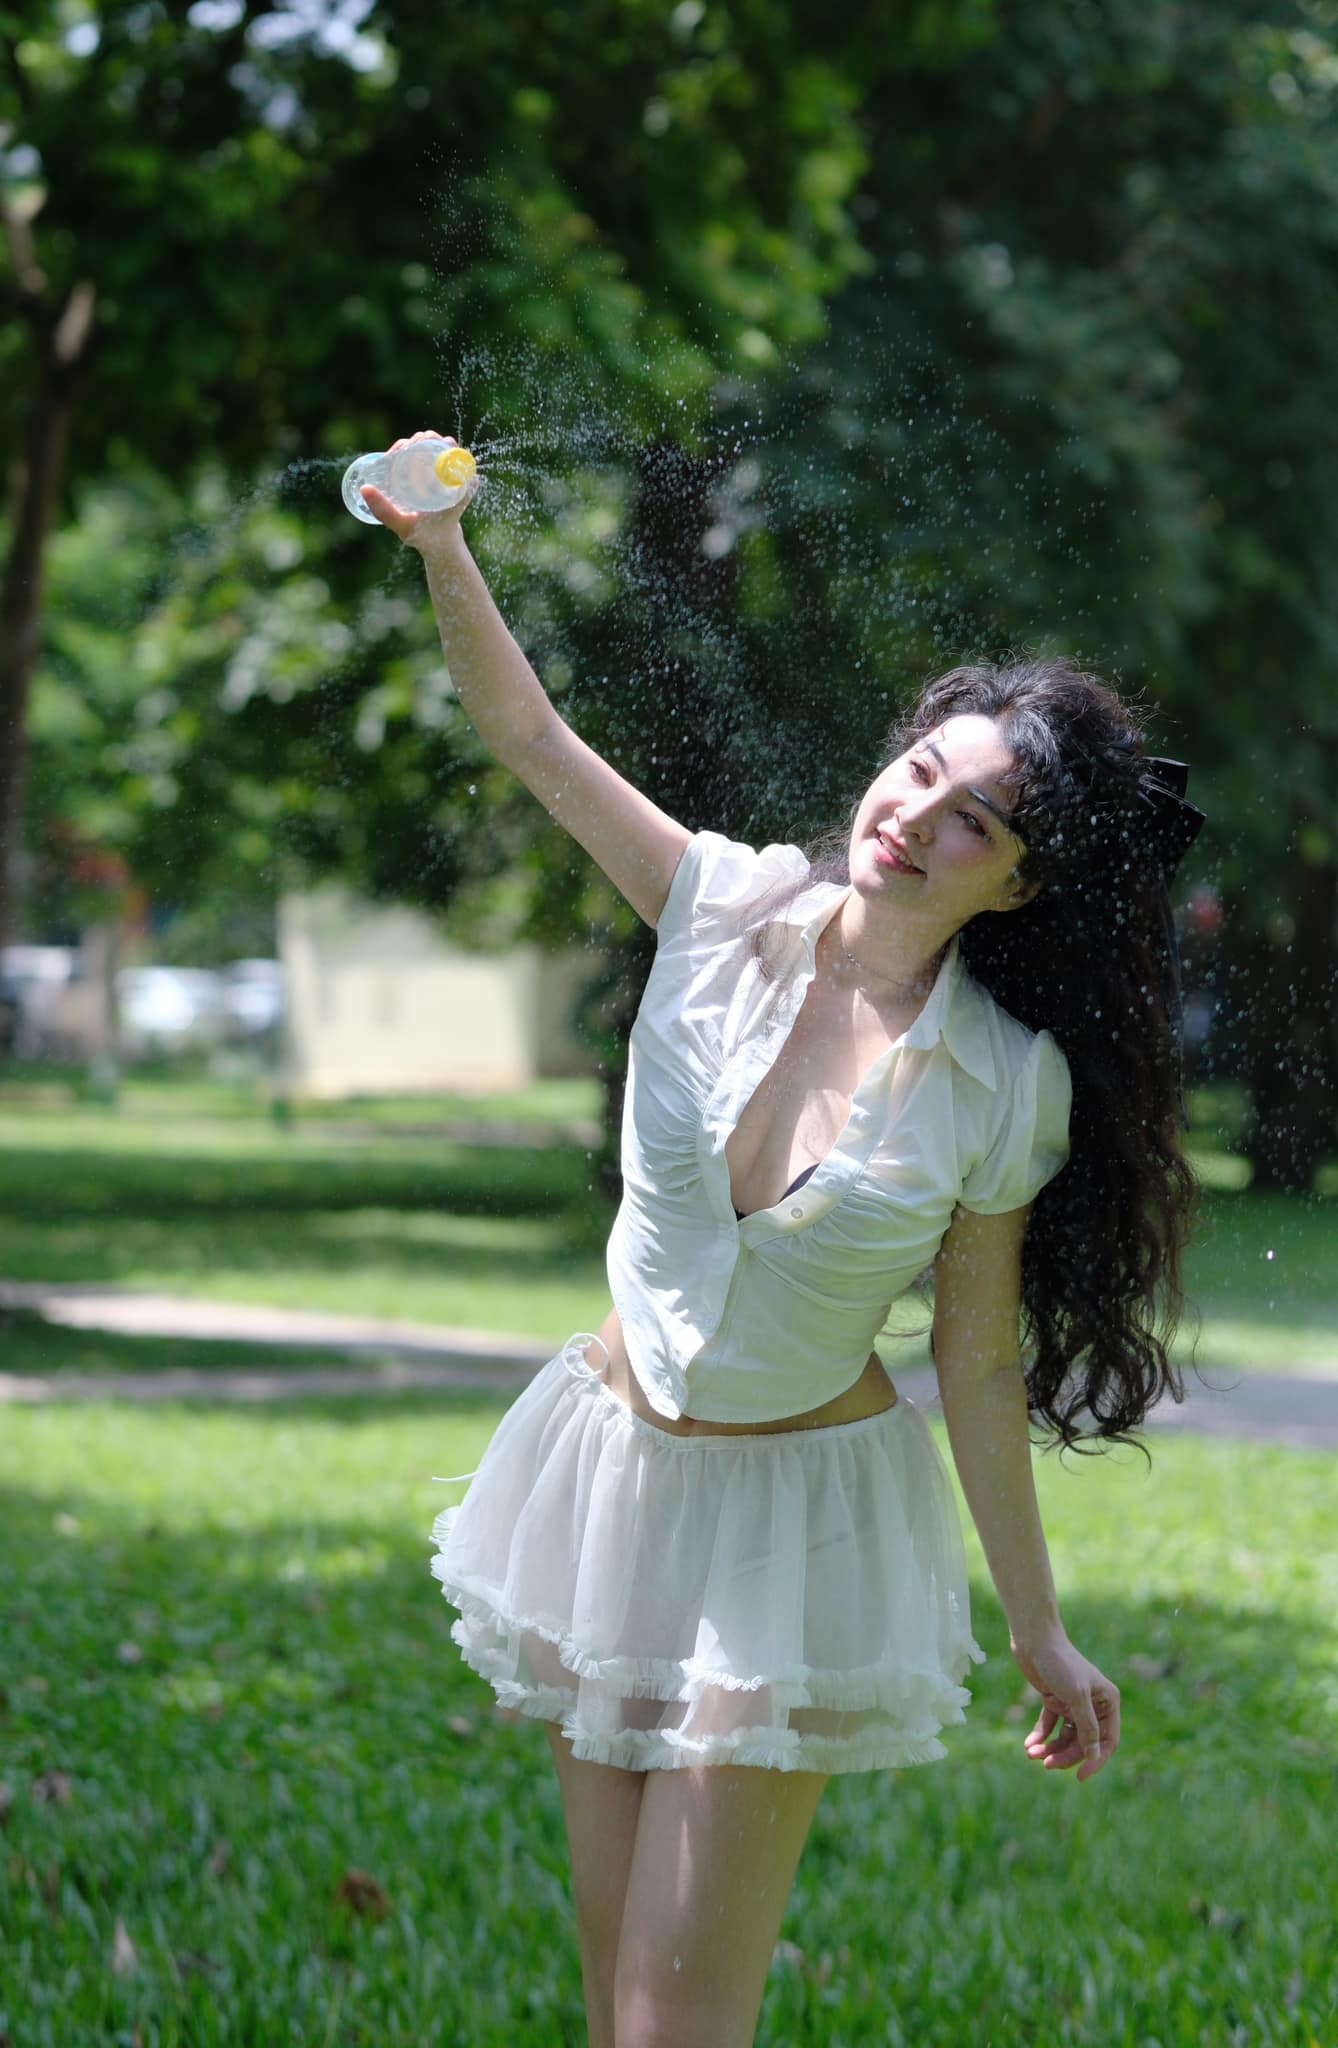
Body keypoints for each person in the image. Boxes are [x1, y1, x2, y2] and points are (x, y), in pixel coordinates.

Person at [361, 435, 1201, 2048]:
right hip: (608, 1477)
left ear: (1017, 889)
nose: (914, 817)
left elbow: (972, 1355)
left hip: (788, 1527)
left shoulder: (1001, 1086)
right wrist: (442, 547)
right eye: (919, 772)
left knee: (679, 2022)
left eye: (973, 822)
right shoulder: (716, 908)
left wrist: (1035, 1625)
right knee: (615, 2004)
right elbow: (529, 737)